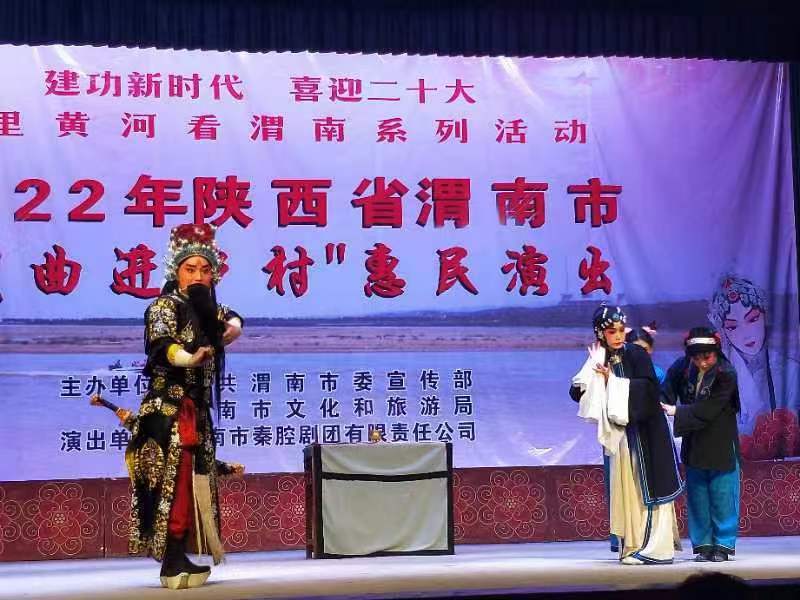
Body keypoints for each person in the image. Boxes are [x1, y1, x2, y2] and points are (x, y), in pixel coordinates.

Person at [115, 223, 245, 589]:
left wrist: (233, 329)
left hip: (194, 411)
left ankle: (179, 555)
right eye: (191, 269)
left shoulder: (209, 310)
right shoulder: (163, 306)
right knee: (172, 484)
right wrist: (190, 358)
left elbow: (233, 318)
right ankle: (171, 560)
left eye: (205, 270)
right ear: (177, 272)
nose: (198, 276)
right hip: (168, 411)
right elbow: (162, 346)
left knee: (191, 483)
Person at [570, 305, 683, 564]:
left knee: (648, 488)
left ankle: (656, 548)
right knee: (626, 489)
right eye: (612, 331)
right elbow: (577, 392)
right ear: (601, 334)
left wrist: (612, 381)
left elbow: (649, 390)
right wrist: (592, 377)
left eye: (621, 330)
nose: (619, 336)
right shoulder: (600, 356)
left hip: (646, 430)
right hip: (621, 437)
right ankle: (630, 546)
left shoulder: (636, 353)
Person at [661, 327, 741, 562]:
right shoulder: (682, 367)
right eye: (696, 358)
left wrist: (677, 411)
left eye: (707, 357)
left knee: (722, 495)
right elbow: (666, 392)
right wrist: (659, 404)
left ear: (716, 351)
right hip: (694, 439)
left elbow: (709, 409)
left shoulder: (726, 373)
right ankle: (703, 545)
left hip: (721, 439)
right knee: (697, 496)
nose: (702, 363)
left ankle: (723, 545)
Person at [708, 274, 800, 452]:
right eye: (733, 326)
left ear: (765, 317)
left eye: (753, 319)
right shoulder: (716, 374)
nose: (746, 334)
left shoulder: (791, 370)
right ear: (723, 330)